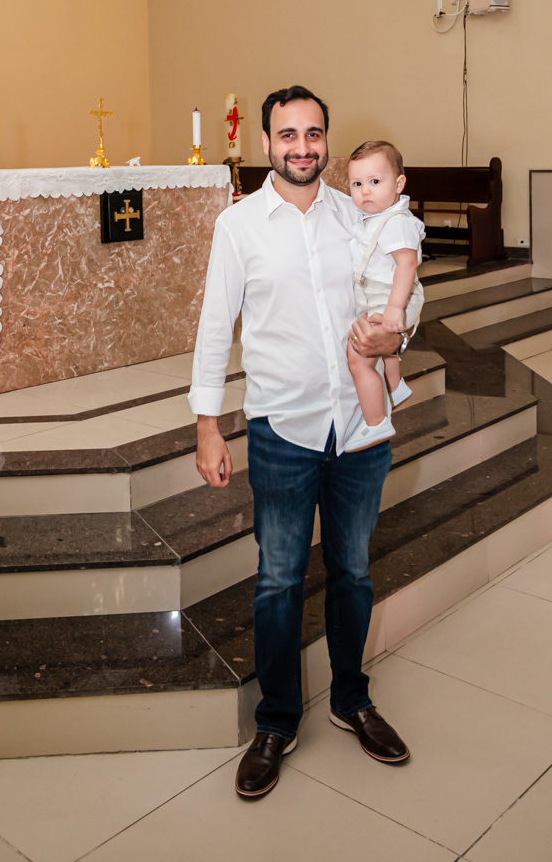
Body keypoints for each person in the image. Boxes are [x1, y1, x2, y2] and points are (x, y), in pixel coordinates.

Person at [190, 85, 412, 800]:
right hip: (281, 426)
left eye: (314, 135)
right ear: (266, 144)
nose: (303, 148)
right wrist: (206, 424)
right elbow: (215, 325)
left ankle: (351, 699)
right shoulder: (239, 226)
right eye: (289, 136)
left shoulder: (356, 211)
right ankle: (278, 720)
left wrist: (397, 328)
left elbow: (403, 278)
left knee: (351, 571)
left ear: (327, 140)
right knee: (280, 581)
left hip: (357, 426)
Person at [346, 141, 425, 432]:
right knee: (381, 348)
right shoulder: (374, 218)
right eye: (357, 183)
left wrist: (394, 309)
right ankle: (395, 387)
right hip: (377, 293)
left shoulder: (396, 222)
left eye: (375, 181)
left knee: (360, 354)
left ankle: (375, 424)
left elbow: (407, 265)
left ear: (399, 184)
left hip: (393, 296)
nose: (365, 190)